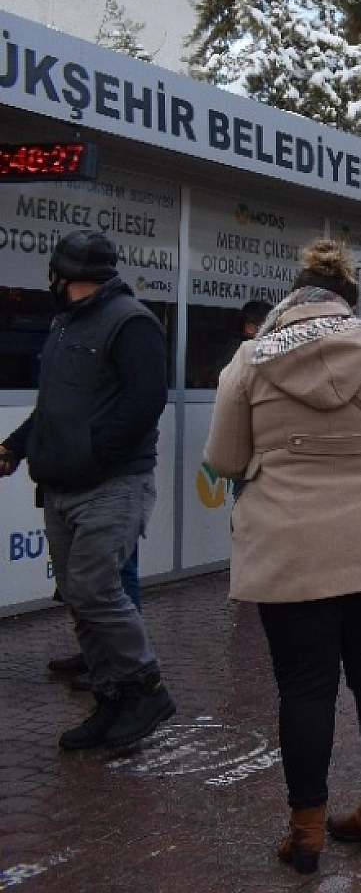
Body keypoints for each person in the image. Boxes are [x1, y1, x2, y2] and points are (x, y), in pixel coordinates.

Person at [204, 239, 361, 875]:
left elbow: (222, 458)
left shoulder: (250, 357)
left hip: (288, 543)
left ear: (291, 302)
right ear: (343, 300)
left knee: (305, 688)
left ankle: (305, 832)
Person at [0, 229, 175, 753]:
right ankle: (111, 699)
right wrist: (14, 447)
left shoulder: (131, 323)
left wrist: (94, 453)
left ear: (63, 276)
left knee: (96, 589)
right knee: (79, 596)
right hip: (60, 485)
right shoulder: (64, 324)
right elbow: (52, 407)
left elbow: (146, 402)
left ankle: (146, 689)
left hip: (111, 485)